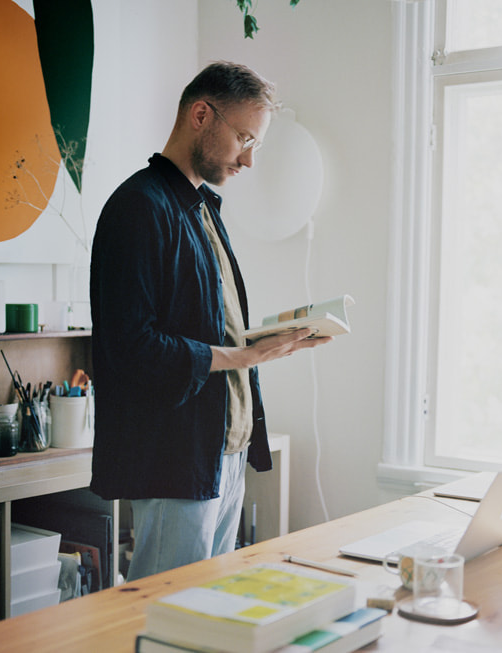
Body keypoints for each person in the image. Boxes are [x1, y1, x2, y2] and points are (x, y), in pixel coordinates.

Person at [89, 61, 331, 581]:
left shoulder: (202, 209)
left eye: (255, 145)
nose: (248, 158)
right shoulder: (138, 208)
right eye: (244, 137)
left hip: (224, 450)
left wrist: (270, 341)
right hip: (175, 456)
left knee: (207, 610)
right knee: (162, 614)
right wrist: (245, 356)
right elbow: (132, 347)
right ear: (202, 115)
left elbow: (207, 327)